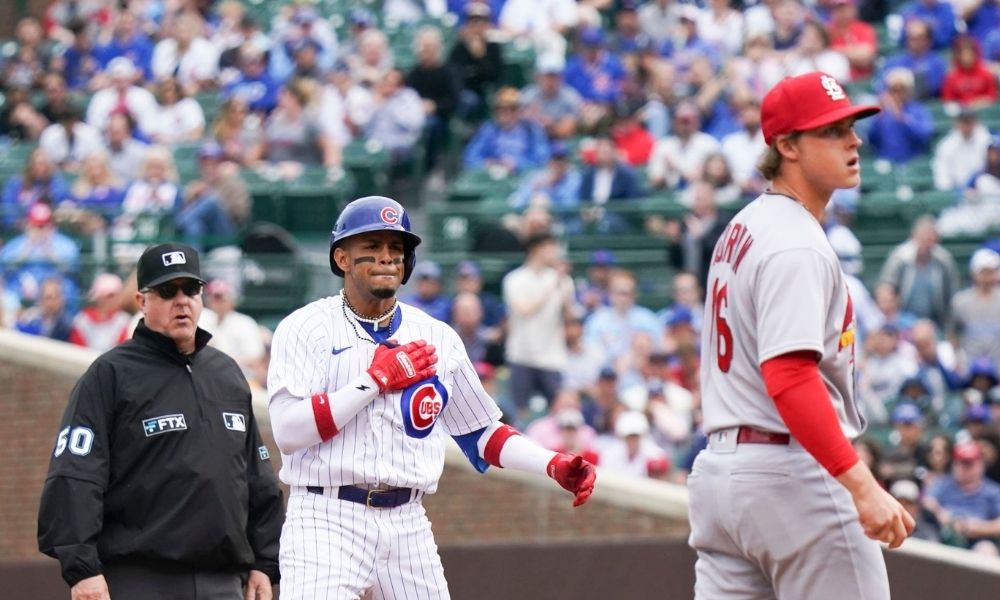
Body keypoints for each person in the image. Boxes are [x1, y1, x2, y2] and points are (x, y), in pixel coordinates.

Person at [267, 196, 596, 598]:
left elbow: (481, 434)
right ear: (342, 258)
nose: (387, 258)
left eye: (396, 248)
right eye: (371, 247)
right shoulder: (305, 327)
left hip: (408, 520)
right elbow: (288, 431)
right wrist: (374, 381)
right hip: (326, 515)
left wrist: (551, 463)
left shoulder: (437, 336)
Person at [688, 71, 915, 599]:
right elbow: (788, 374)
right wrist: (860, 483)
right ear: (786, 145)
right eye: (832, 131)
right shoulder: (796, 244)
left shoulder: (744, 225)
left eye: (851, 126)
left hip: (721, 474)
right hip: (791, 475)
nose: (853, 140)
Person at [38, 242, 284, 599]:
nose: (182, 300)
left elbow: (256, 477)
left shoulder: (227, 374)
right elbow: (75, 474)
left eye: (191, 290)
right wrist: (82, 569)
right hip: (140, 580)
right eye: (167, 291)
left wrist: (265, 560)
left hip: (225, 581)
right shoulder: (110, 375)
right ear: (142, 301)